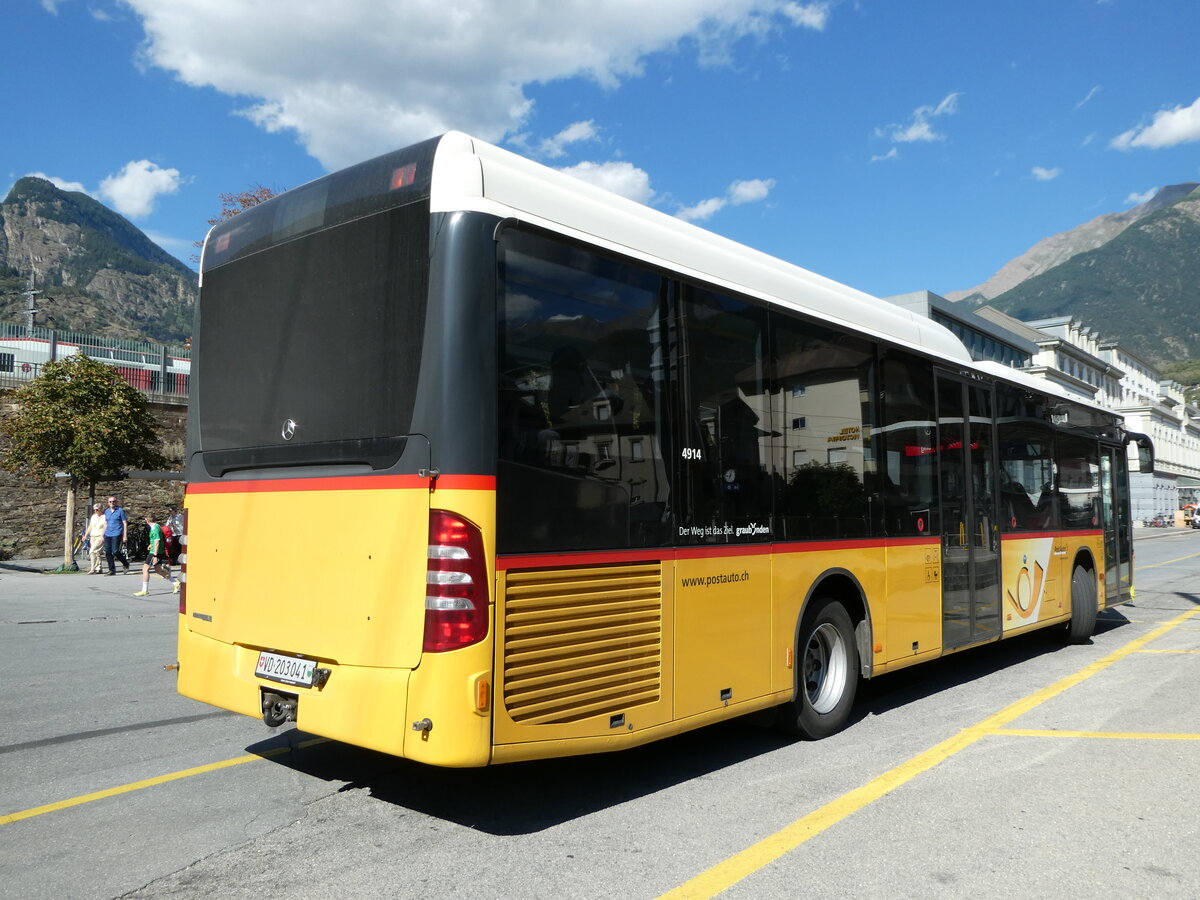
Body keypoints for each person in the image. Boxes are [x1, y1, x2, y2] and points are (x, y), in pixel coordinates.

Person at [133, 512, 178, 597]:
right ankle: (175, 582)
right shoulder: (157, 526)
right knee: (158, 570)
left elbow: (157, 541)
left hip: (155, 552)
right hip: (156, 550)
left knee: (145, 569)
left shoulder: (154, 529)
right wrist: (151, 544)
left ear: (147, 520)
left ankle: (144, 590)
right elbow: (156, 540)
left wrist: (155, 555)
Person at [102, 495, 130, 576]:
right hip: (108, 534)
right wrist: (102, 535)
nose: (112, 503)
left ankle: (125, 563)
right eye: (110, 502)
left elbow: (124, 523)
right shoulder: (106, 511)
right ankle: (112, 570)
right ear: (108, 503)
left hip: (117, 533)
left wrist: (125, 535)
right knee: (107, 552)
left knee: (115, 551)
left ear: (116, 502)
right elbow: (106, 523)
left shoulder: (120, 511)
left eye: (113, 501)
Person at [82, 503, 107, 574]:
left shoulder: (105, 517)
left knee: (92, 551)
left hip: (100, 536)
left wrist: (103, 536)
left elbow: (105, 527)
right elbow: (90, 526)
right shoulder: (93, 516)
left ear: (101, 509)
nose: (96, 511)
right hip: (93, 536)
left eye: (97, 510)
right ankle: (99, 568)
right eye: (94, 510)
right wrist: (86, 535)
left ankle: (92, 568)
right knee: (97, 553)